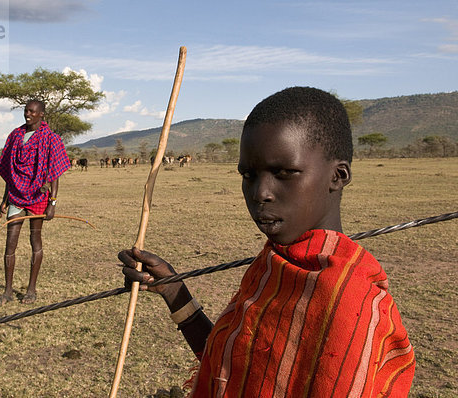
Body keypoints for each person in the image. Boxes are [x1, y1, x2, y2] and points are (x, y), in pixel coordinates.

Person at [119, 87, 415, 397]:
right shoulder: (274, 264)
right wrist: (174, 291)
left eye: (285, 172)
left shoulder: (349, 303)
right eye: (248, 175)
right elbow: (239, 369)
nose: (261, 193)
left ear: (337, 176)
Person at [0, 99, 70, 306]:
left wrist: (52, 202)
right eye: (26, 111)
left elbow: (54, 173)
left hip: (38, 197)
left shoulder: (51, 139)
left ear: (42, 114)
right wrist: (4, 199)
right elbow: (10, 172)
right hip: (16, 196)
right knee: (10, 243)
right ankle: (7, 291)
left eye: (32, 112)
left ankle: (31, 290)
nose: (28, 114)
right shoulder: (15, 136)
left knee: (35, 241)